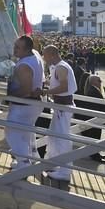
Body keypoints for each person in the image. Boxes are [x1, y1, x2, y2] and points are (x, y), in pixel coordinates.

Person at [5, 35, 44, 171]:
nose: (14, 50)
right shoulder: (35, 56)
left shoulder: (24, 65)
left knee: (12, 133)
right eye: (14, 46)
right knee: (25, 133)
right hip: (32, 105)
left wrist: (9, 96)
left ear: (27, 50)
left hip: (25, 104)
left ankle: (23, 163)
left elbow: (26, 90)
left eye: (18, 47)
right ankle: (31, 158)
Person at [42, 45, 77, 182]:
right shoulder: (59, 66)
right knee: (54, 136)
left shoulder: (61, 67)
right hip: (60, 106)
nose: (44, 58)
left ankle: (65, 171)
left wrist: (46, 92)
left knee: (62, 138)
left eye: (44, 55)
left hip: (64, 106)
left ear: (51, 55)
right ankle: (55, 164)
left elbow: (64, 87)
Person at [77, 75, 105, 163]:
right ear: (93, 82)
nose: (100, 82)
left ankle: (96, 154)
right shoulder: (93, 91)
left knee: (96, 137)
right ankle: (94, 155)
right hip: (94, 118)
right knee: (94, 137)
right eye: (99, 80)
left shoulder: (92, 90)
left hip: (95, 118)